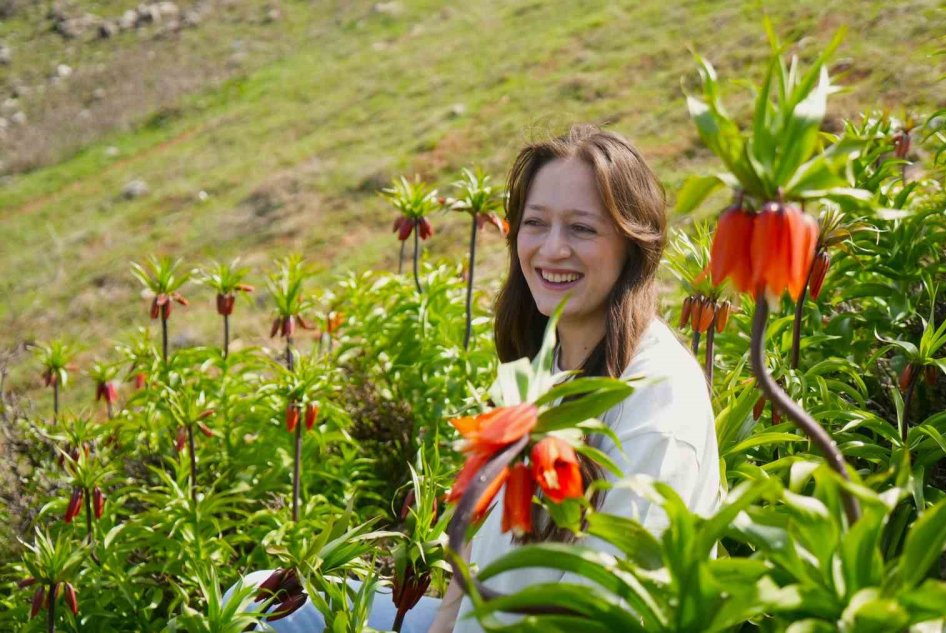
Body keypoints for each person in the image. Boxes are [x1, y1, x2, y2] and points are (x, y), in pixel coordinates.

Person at [225, 124, 720, 632]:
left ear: (632, 245)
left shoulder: (658, 399)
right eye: (535, 223)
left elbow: (615, 608)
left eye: (582, 229)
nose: (552, 249)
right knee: (258, 598)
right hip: (477, 621)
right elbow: (480, 546)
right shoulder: (542, 363)